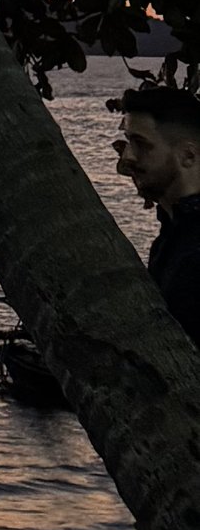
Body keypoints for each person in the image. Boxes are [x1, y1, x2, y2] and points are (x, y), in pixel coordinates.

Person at [112, 87, 200, 342]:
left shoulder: (191, 247)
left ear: (188, 155)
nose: (127, 157)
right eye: (128, 142)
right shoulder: (172, 235)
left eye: (141, 144)